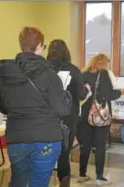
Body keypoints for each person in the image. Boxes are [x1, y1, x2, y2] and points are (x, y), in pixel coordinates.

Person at [0, 27, 72, 187]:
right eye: (43, 46)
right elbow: (61, 109)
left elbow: (2, 106)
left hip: (16, 138)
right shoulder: (50, 74)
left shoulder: (7, 73)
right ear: (39, 46)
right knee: (39, 183)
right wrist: (67, 96)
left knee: (18, 180)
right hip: (46, 137)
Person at [47, 39, 90, 187]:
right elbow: (81, 94)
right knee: (64, 155)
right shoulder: (72, 70)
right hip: (68, 119)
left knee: (44, 154)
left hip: (46, 118)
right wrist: (87, 89)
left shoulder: (44, 68)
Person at [78, 54, 122, 186]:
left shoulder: (83, 74)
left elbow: (80, 94)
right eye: (107, 64)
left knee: (85, 146)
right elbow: (107, 95)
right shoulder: (104, 75)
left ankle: (82, 174)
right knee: (100, 146)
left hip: (85, 114)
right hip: (100, 115)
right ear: (102, 64)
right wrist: (121, 92)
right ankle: (99, 177)